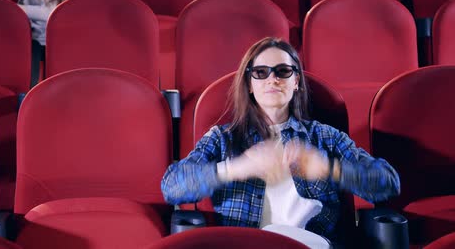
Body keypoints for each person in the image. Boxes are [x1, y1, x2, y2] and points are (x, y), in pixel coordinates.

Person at [161, 37, 400, 247]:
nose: (272, 79)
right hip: (249, 244)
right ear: (250, 85)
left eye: (283, 71)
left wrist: (330, 169)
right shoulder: (222, 138)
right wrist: (235, 168)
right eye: (261, 72)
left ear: (296, 81)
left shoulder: (325, 136)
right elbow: (172, 188)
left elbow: (388, 184)